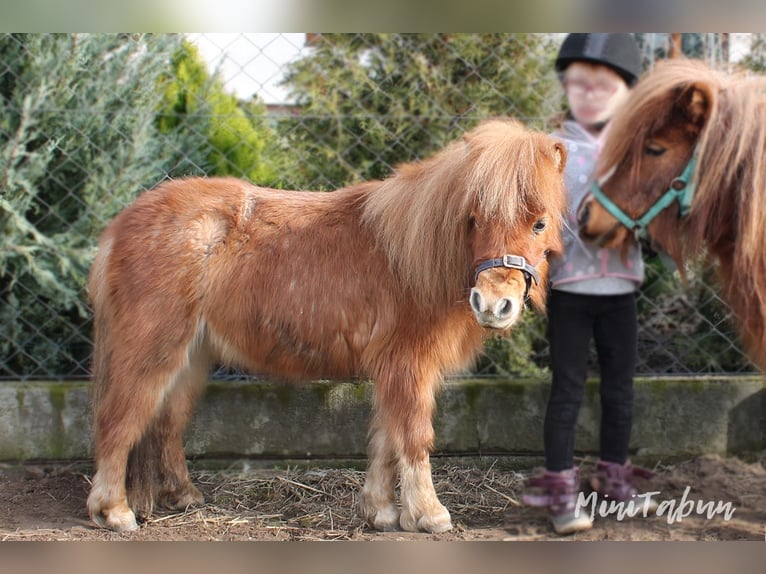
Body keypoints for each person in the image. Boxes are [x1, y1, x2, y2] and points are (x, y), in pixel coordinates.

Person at [522, 33, 655, 535]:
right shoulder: (549, 153)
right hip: (573, 293)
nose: (591, 94)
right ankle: (561, 490)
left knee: (621, 392)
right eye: (580, 83)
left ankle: (615, 481)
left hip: (621, 291)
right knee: (568, 391)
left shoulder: (642, 152)